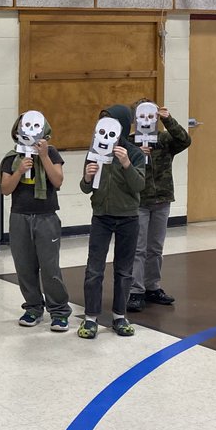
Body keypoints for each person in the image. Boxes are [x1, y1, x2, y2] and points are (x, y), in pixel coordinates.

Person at [78, 105, 146, 340]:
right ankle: (90, 318)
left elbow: (139, 185)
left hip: (128, 218)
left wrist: (126, 164)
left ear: (123, 127)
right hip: (101, 217)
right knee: (94, 269)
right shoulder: (95, 151)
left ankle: (119, 315)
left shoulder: (134, 153)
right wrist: (87, 177)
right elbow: (85, 188)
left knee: (124, 270)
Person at [0, 112, 69, 331]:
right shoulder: (11, 157)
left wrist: (44, 156)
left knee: (50, 267)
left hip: (46, 216)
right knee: (24, 267)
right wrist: (19, 170)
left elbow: (57, 180)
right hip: (20, 216)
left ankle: (59, 311)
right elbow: (5, 189)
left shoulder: (52, 152)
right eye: (25, 125)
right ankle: (33, 307)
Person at [128, 103, 191, 312]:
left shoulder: (164, 140)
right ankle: (135, 290)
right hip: (139, 202)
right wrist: (136, 154)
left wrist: (168, 120)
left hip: (162, 199)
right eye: (142, 116)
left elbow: (184, 140)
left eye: (151, 116)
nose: (147, 120)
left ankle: (152, 286)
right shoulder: (129, 143)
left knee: (155, 247)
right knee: (138, 248)